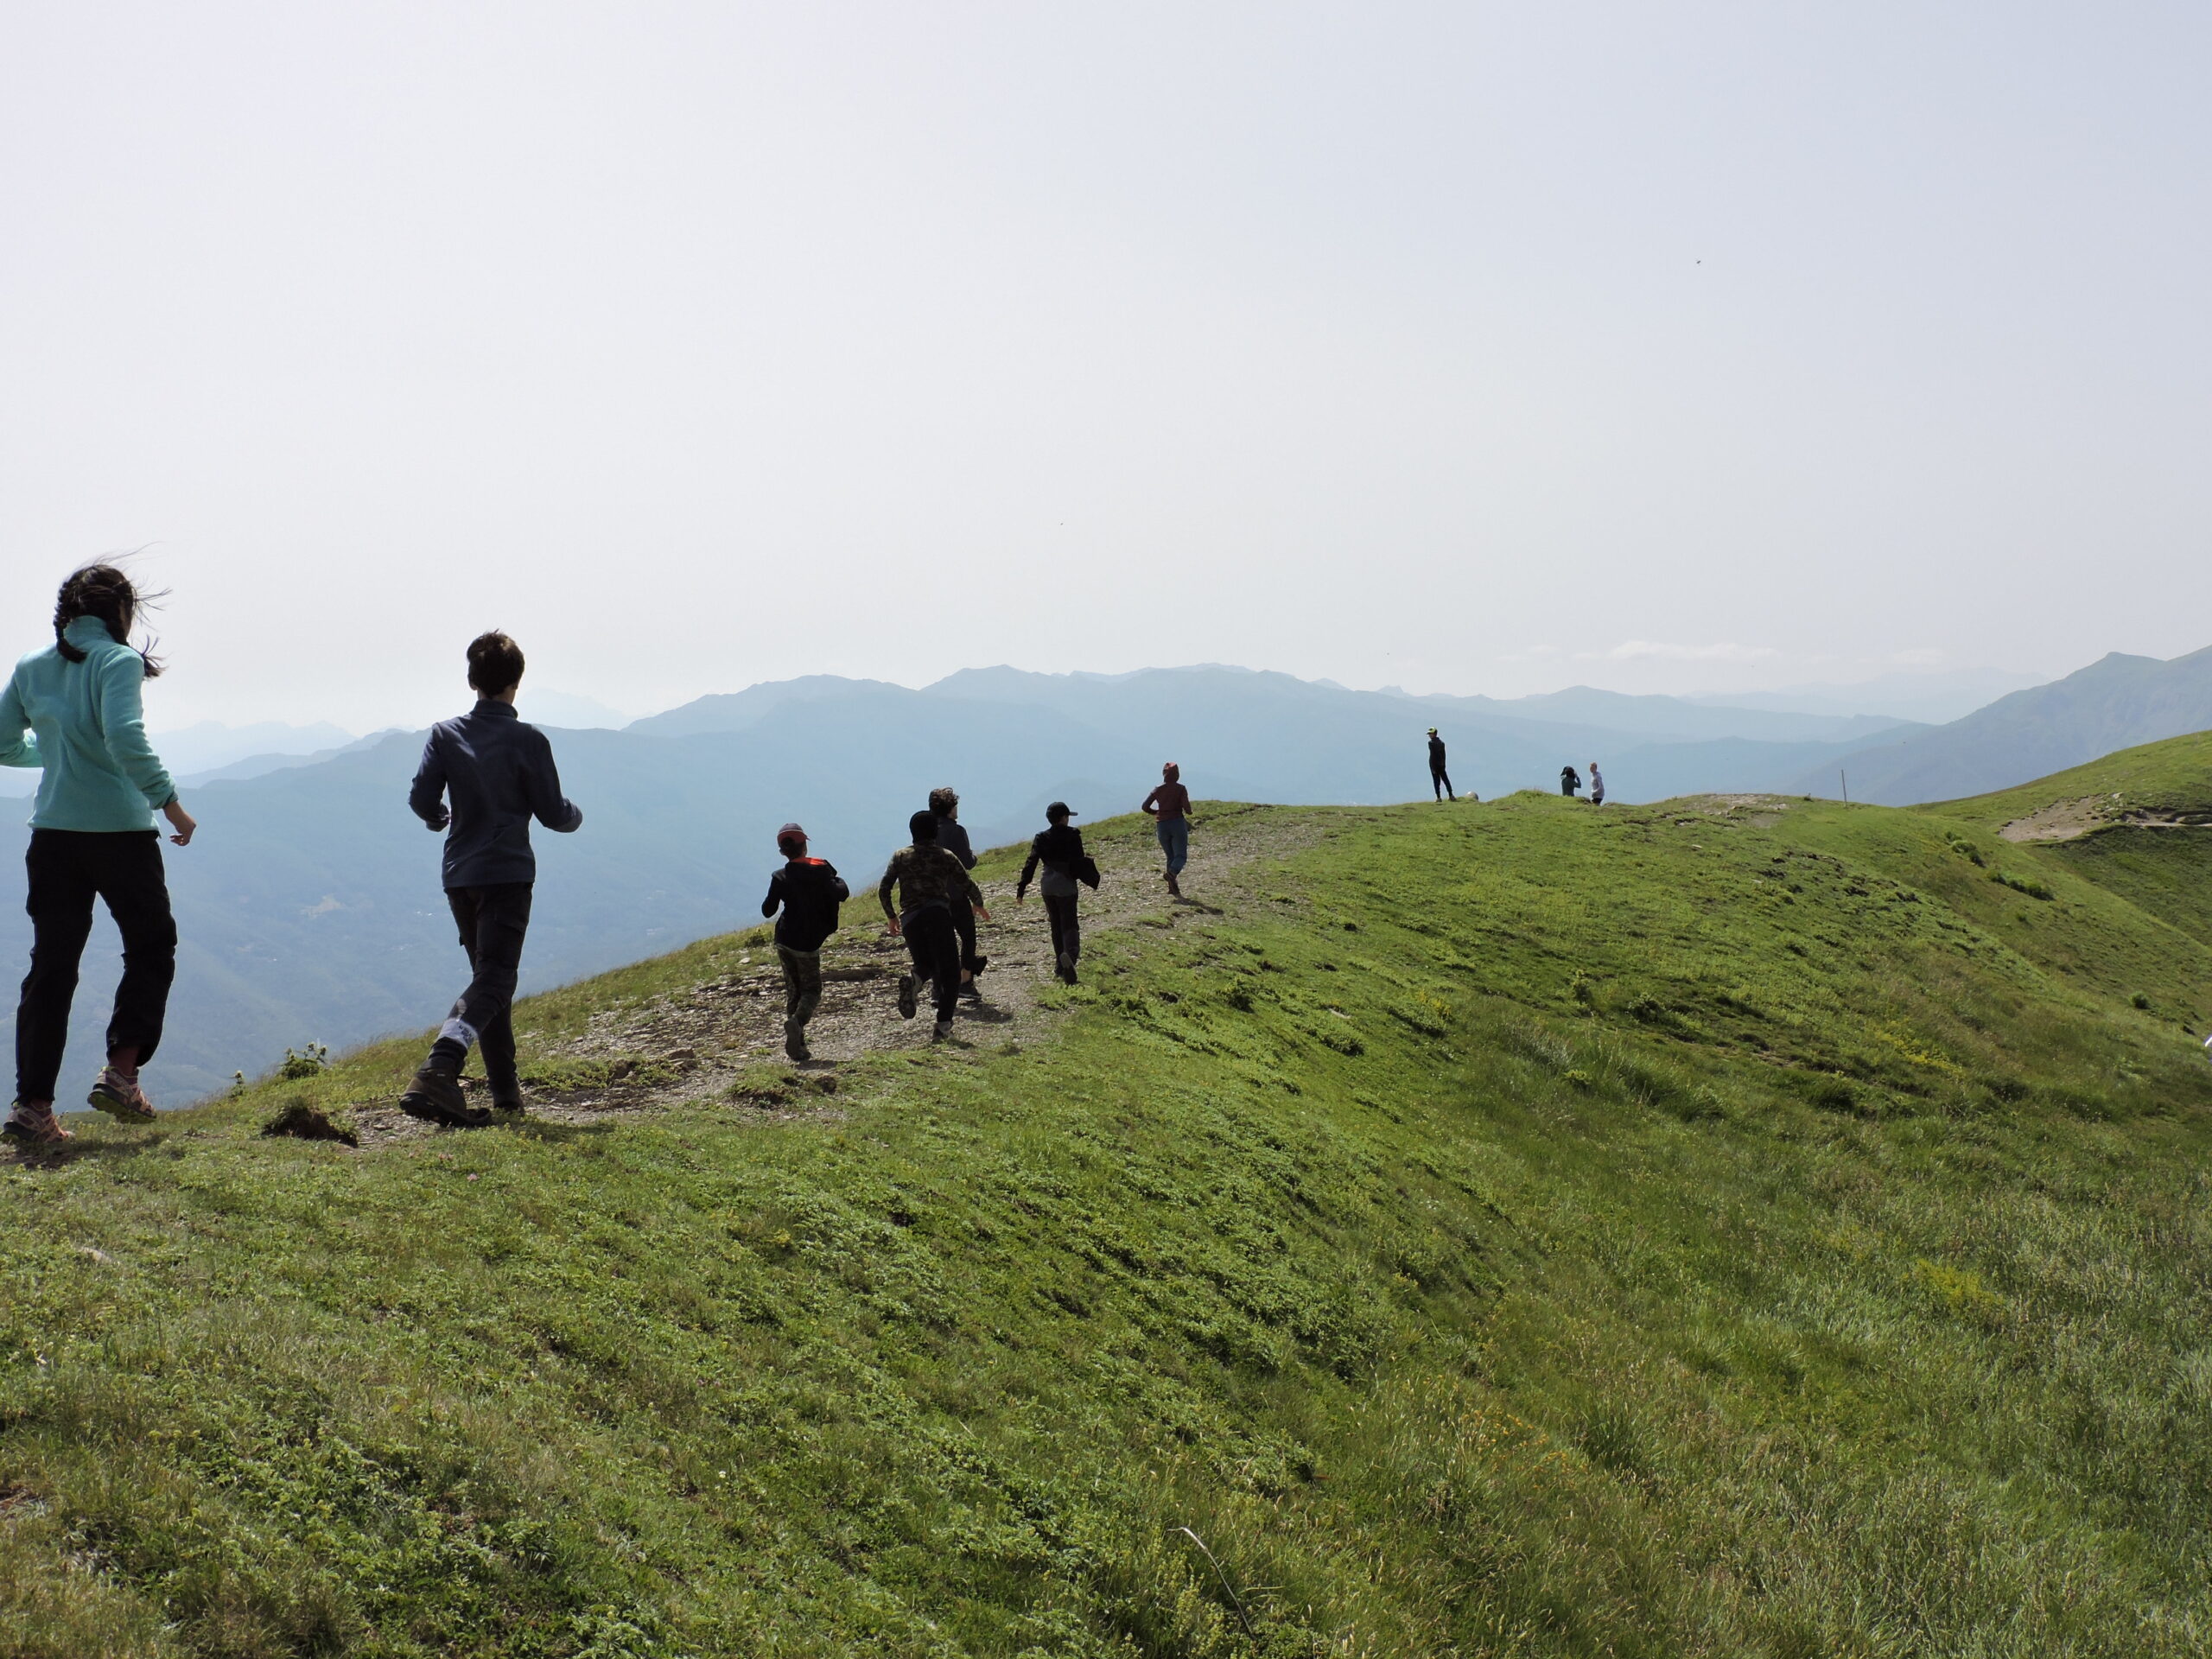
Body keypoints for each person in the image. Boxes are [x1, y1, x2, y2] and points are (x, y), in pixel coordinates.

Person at [1, 564, 194, 1146]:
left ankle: (32, 1107)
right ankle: (122, 1073)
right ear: (121, 612)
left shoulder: (33, 666)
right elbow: (124, 738)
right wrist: (171, 804)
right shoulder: (118, 661)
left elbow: (4, 741)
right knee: (151, 943)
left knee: (51, 968)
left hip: (54, 834)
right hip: (119, 834)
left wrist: (59, 750)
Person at [399, 632, 582, 1128]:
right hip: (506, 873)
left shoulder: (445, 734)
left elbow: (421, 801)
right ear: (516, 682)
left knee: (490, 980)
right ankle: (440, 1066)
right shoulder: (529, 740)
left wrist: (439, 816)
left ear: (471, 680)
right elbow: (552, 813)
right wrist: (575, 815)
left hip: (460, 875)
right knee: (497, 978)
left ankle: (506, 1095)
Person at [879, 810, 988, 1042]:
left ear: (912, 832)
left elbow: (884, 888)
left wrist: (891, 916)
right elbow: (966, 882)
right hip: (938, 915)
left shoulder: (900, 856)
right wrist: (978, 904)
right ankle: (942, 1026)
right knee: (949, 974)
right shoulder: (945, 855)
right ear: (936, 832)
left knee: (926, 963)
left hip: (910, 920)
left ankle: (916, 980)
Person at [761, 822, 847, 1062]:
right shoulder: (821, 869)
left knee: (794, 991)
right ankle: (797, 1022)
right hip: (808, 942)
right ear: (804, 847)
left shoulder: (780, 876)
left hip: (785, 938)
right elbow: (842, 892)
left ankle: (798, 1046)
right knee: (812, 990)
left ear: (782, 851)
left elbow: (768, 911)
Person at [1016, 802, 1096, 983]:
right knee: (1070, 925)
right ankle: (1070, 959)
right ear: (1064, 818)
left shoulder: (1041, 837)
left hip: (1047, 886)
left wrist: (1022, 887)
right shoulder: (1073, 835)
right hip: (1066, 886)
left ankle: (1059, 965)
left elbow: (1031, 862)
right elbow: (1078, 860)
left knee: (1056, 925)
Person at [929, 785, 987, 1004]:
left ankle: (937, 989)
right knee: (968, 936)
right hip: (956, 894)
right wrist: (973, 857)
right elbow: (967, 863)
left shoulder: (928, 830)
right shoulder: (956, 831)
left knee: (939, 943)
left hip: (934, 896)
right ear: (950, 808)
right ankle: (965, 981)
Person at [1141, 762, 1194, 897]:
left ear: (1164, 774)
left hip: (1162, 825)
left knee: (1170, 856)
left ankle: (1173, 887)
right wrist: (1188, 810)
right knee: (1180, 856)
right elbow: (1187, 810)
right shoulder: (1181, 789)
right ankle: (1172, 874)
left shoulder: (1158, 789)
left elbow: (1145, 806)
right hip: (1177, 823)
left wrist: (1157, 812)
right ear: (1177, 775)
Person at [1427, 728, 1455, 801]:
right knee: (1445, 780)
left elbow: (1433, 755)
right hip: (1441, 765)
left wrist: (1432, 767)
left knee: (1436, 781)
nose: (1429, 735)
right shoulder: (1442, 743)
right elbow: (1444, 755)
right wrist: (1443, 765)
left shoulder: (1430, 743)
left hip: (1434, 765)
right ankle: (1451, 795)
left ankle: (1438, 797)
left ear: (1434, 734)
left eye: (1430, 734)